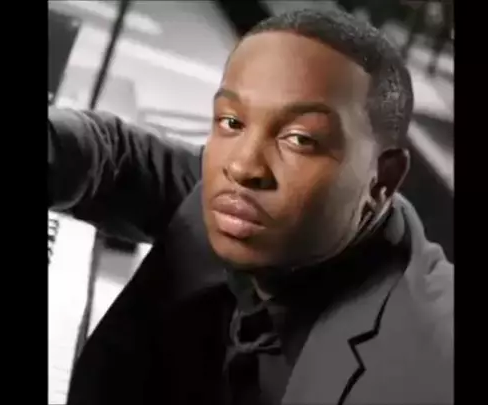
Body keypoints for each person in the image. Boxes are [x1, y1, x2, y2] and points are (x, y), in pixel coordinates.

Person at [49, 8, 453, 405]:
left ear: (382, 180)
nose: (243, 167)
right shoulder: (245, 201)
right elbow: (113, 154)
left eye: (300, 139)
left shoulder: (432, 357)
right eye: (232, 122)